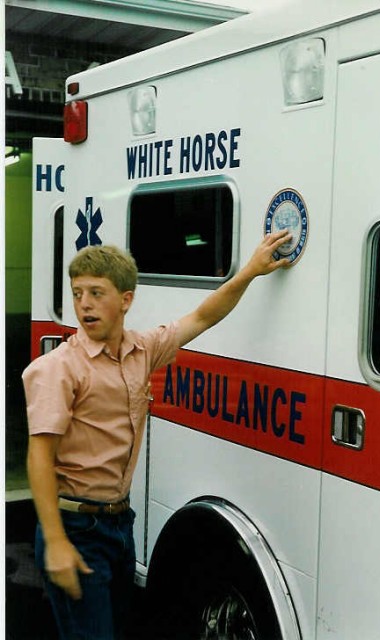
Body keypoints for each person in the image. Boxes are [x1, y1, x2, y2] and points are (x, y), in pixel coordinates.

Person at [22, 230, 292, 640]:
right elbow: (39, 457)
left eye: (96, 293)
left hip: (119, 526)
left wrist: (251, 270)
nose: (84, 304)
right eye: (78, 293)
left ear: (126, 299)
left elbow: (202, 316)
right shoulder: (57, 369)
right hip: (75, 529)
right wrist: (56, 541)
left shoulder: (142, 350)